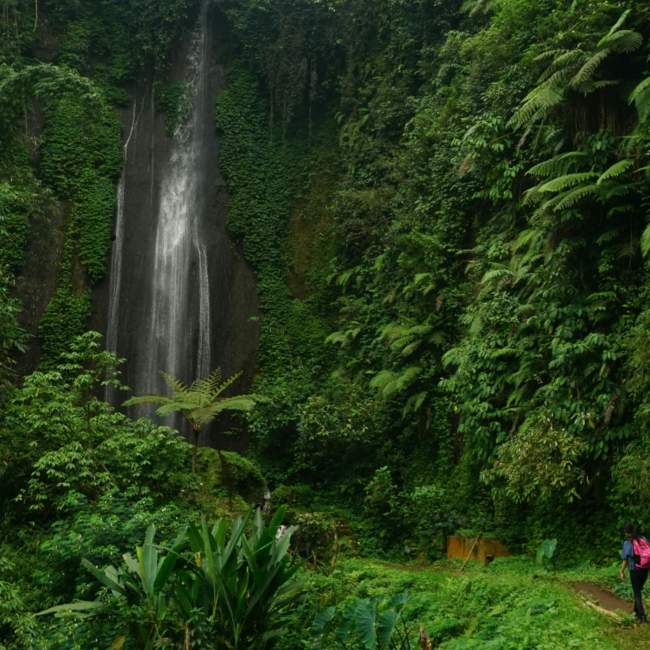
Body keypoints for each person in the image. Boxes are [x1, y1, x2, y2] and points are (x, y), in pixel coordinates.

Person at [620, 521, 649, 624]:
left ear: (626, 532)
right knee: (638, 590)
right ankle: (636, 612)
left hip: (635, 570)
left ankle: (642, 617)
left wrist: (622, 571)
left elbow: (625, 559)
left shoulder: (628, 543)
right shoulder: (643, 539)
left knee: (637, 593)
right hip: (645, 569)